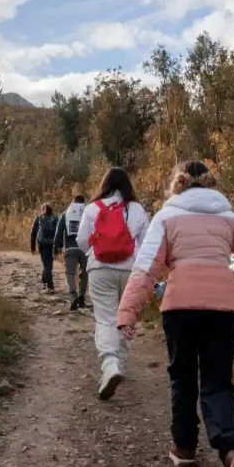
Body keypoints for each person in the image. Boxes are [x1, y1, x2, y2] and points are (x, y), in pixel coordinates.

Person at [116, 161, 234, 467]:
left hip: (180, 306)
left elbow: (147, 267)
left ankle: (184, 449)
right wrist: (223, 269)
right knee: (217, 381)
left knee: (182, 377)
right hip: (223, 309)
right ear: (211, 183)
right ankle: (232, 452)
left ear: (177, 183)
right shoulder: (229, 217)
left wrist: (128, 312)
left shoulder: (167, 217)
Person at [75, 167, 149, 400]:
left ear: (104, 185)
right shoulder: (136, 209)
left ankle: (110, 364)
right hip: (130, 270)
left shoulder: (92, 209)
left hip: (100, 269)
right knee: (125, 317)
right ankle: (120, 362)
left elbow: (81, 241)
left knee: (106, 317)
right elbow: (147, 243)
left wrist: (96, 252)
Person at [53, 194, 89, 311]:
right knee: (84, 273)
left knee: (70, 273)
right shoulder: (88, 212)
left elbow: (59, 232)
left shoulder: (66, 213)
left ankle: (73, 294)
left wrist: (56, 247)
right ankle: (82, 297)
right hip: (85, 248)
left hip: (70, 248)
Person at [30, 204, 58, 290]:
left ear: (42, 210)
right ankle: (44, 279)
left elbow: (33, 233)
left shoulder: (38, 219)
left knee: (46, 264)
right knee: (48, 263)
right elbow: (59, 232)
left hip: (42, 243)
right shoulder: (56, 218)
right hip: (52, 243)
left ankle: (49, 284)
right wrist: (59, 245)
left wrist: (33, 247)